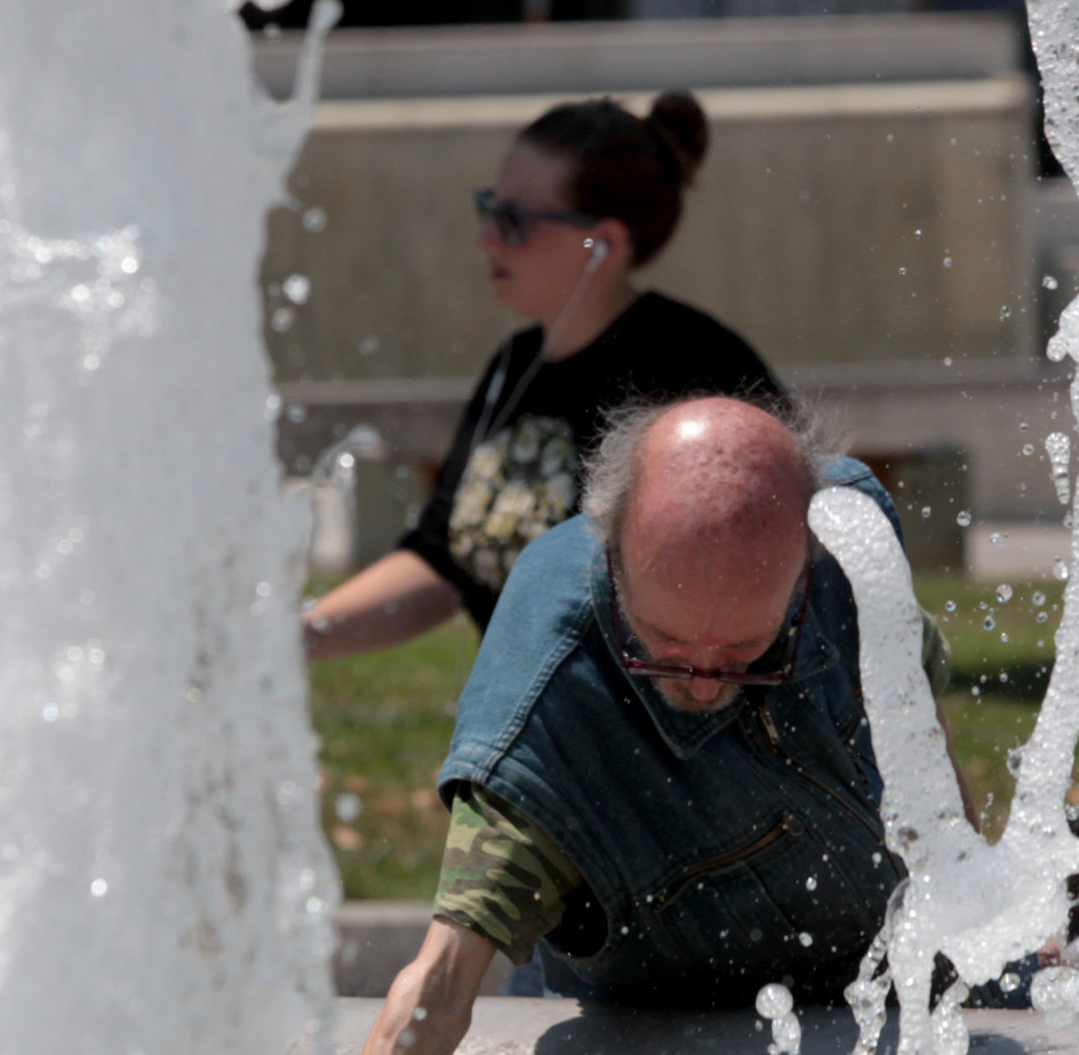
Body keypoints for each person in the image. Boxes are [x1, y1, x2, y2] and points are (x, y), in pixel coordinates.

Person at [288, 396, 960, 1055]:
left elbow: (923, 725)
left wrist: (976, 896)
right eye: (669, 650)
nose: (710, 683)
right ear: (614, 554)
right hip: (657, 1009)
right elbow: (440, 982)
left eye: (748, 652)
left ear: (804, 556)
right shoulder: (544, 708)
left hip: (900, 980)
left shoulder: (853, 540)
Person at [300, 91, 785, 661]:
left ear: (601, 243)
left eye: (516, 221)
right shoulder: (516, 363)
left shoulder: (693, 375)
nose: (486, 238)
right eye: (490, 207)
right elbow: (442, 559)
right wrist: (298, 635)